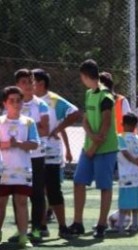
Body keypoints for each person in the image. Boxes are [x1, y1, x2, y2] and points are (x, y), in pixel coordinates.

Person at [69, 59, 119, 238]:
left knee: (104, 186)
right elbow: (85, 120)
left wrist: (94, 146)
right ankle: (77, 223)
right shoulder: (89, 93)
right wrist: (90, 138)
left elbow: (105, 128)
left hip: (105, 149)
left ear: (84, 76)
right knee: (78, 181)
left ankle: (101, 224)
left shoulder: (106, 96)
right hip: (89, 147)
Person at [32, 68, 81, 239]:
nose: (30, 84)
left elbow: (75, 112)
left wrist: (58, 129)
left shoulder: (53, 100)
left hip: (51, 152)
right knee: (37, 191)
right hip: (32, 152)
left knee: (53, 189)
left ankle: (62, 226)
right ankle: (41, 226)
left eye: (32, 81)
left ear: (41, 83)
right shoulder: (28, 101)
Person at [0, 86, 40, 248]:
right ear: (4, 103)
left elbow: (35, 143)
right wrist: (8, 144)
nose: (16, 104)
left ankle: (23, 236)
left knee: (22, 202)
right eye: (12, 101)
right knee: (1, 203)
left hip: (22, 170)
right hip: (3, 172)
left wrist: (20, 144)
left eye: (19, 100)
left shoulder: (28, 122)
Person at [12, 69, 49, 242]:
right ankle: (20, 230)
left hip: (36, 155)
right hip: (16, 157)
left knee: (37, 193)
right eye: (24, 82)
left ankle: (36, 229)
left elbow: (45, 129)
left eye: (30, 82)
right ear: (17, 85)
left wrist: (23, 136)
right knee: (17, 192)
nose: (28, 85)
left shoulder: (40, 104)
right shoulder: (12, 103)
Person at [116, 113, 138, 234]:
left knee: (123, 202)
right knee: (136, 202)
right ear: (136, 125)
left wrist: (133, 161)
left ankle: (121, 227)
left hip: (124, 176)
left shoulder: (119, 137)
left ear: (123, 124)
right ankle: (135, 225)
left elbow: (124, 153)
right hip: (136, 175)